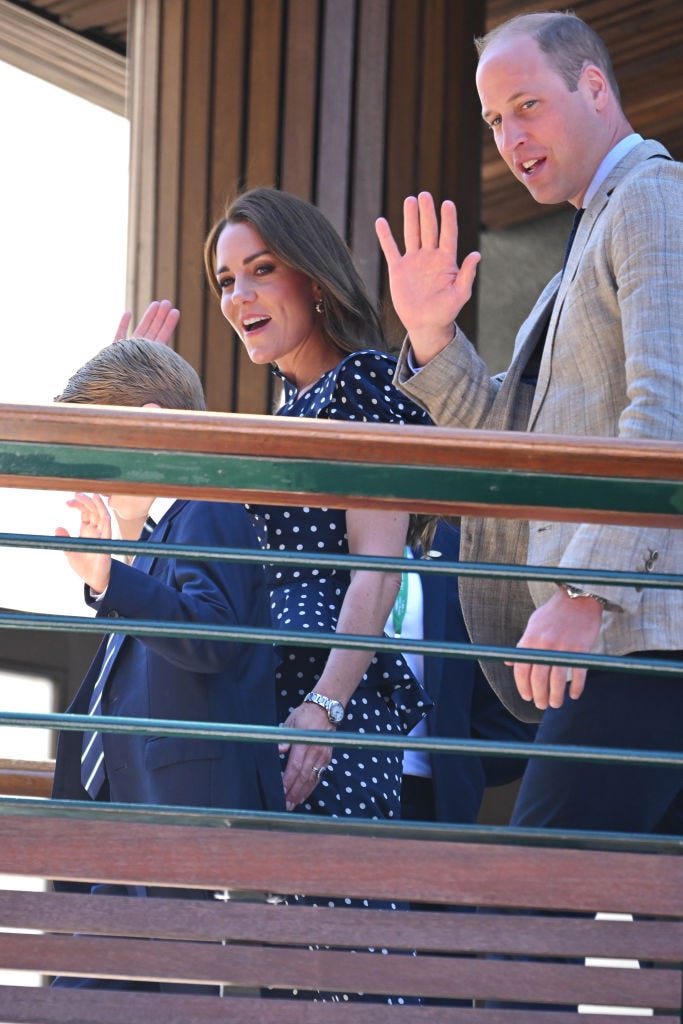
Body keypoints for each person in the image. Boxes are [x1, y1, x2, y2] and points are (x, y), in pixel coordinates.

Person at [375, 10, 683, 837]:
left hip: (634, 635)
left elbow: (664, 412)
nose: (509, 137)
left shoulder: (650, 197)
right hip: (622, 637)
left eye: (526, 105)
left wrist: (586, 591)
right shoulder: (593, 229)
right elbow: (510, 439)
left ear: (592, 88)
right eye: (493, 120)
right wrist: (433, 334)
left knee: (527, 911)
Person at [201, 186, 437, 1004]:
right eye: (226, 280)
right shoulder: (290, 405)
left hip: (334, 705)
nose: (239, 297)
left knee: (344, 955)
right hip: (275, 694)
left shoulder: (363, 382)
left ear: (314, 280)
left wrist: (324, 709)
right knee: (280, 962)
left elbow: (379, 563)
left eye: (260, 270)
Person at [51, 339, 285, 992]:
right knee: (80, 994)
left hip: (192, 834)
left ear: (149, 424)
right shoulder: (160, 537)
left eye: (90, 443)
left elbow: (211, 637)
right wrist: (119, 558)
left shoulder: (208, 508)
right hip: (145, 836)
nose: (79, 466)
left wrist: (109, 579)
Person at [398, 520, 535, 830]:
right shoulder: (302, 539)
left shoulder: (453, 546)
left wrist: (460, 763)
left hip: (425, 795)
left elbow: (510, 713)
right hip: (315, 779)